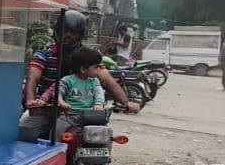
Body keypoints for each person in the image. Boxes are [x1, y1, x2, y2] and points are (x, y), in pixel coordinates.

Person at [21, 10, 139, 138]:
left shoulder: (87, 57)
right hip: (47, 110)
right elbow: (33, 77)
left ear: (80, 34)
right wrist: (31, 100)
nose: (69, 35)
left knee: (103, 137)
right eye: (65, 30)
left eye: (74, 33)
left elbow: (107, 80)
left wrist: (127, 103)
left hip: (83, 113)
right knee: (24, 130)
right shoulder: (45, 54)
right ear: (58, 30)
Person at [53, 47, 106, 135]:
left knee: (104, 132)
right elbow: (58, 92)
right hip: (69, 115)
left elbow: (99, 93)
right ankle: (58, 148)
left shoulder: (94, 81)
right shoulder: (67, 80)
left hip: (91, 115)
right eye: (96, 67)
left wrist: (98, 103)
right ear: (83, 69)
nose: (99, 70)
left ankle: (103, 148)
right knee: (56, 129)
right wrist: (61, 102)